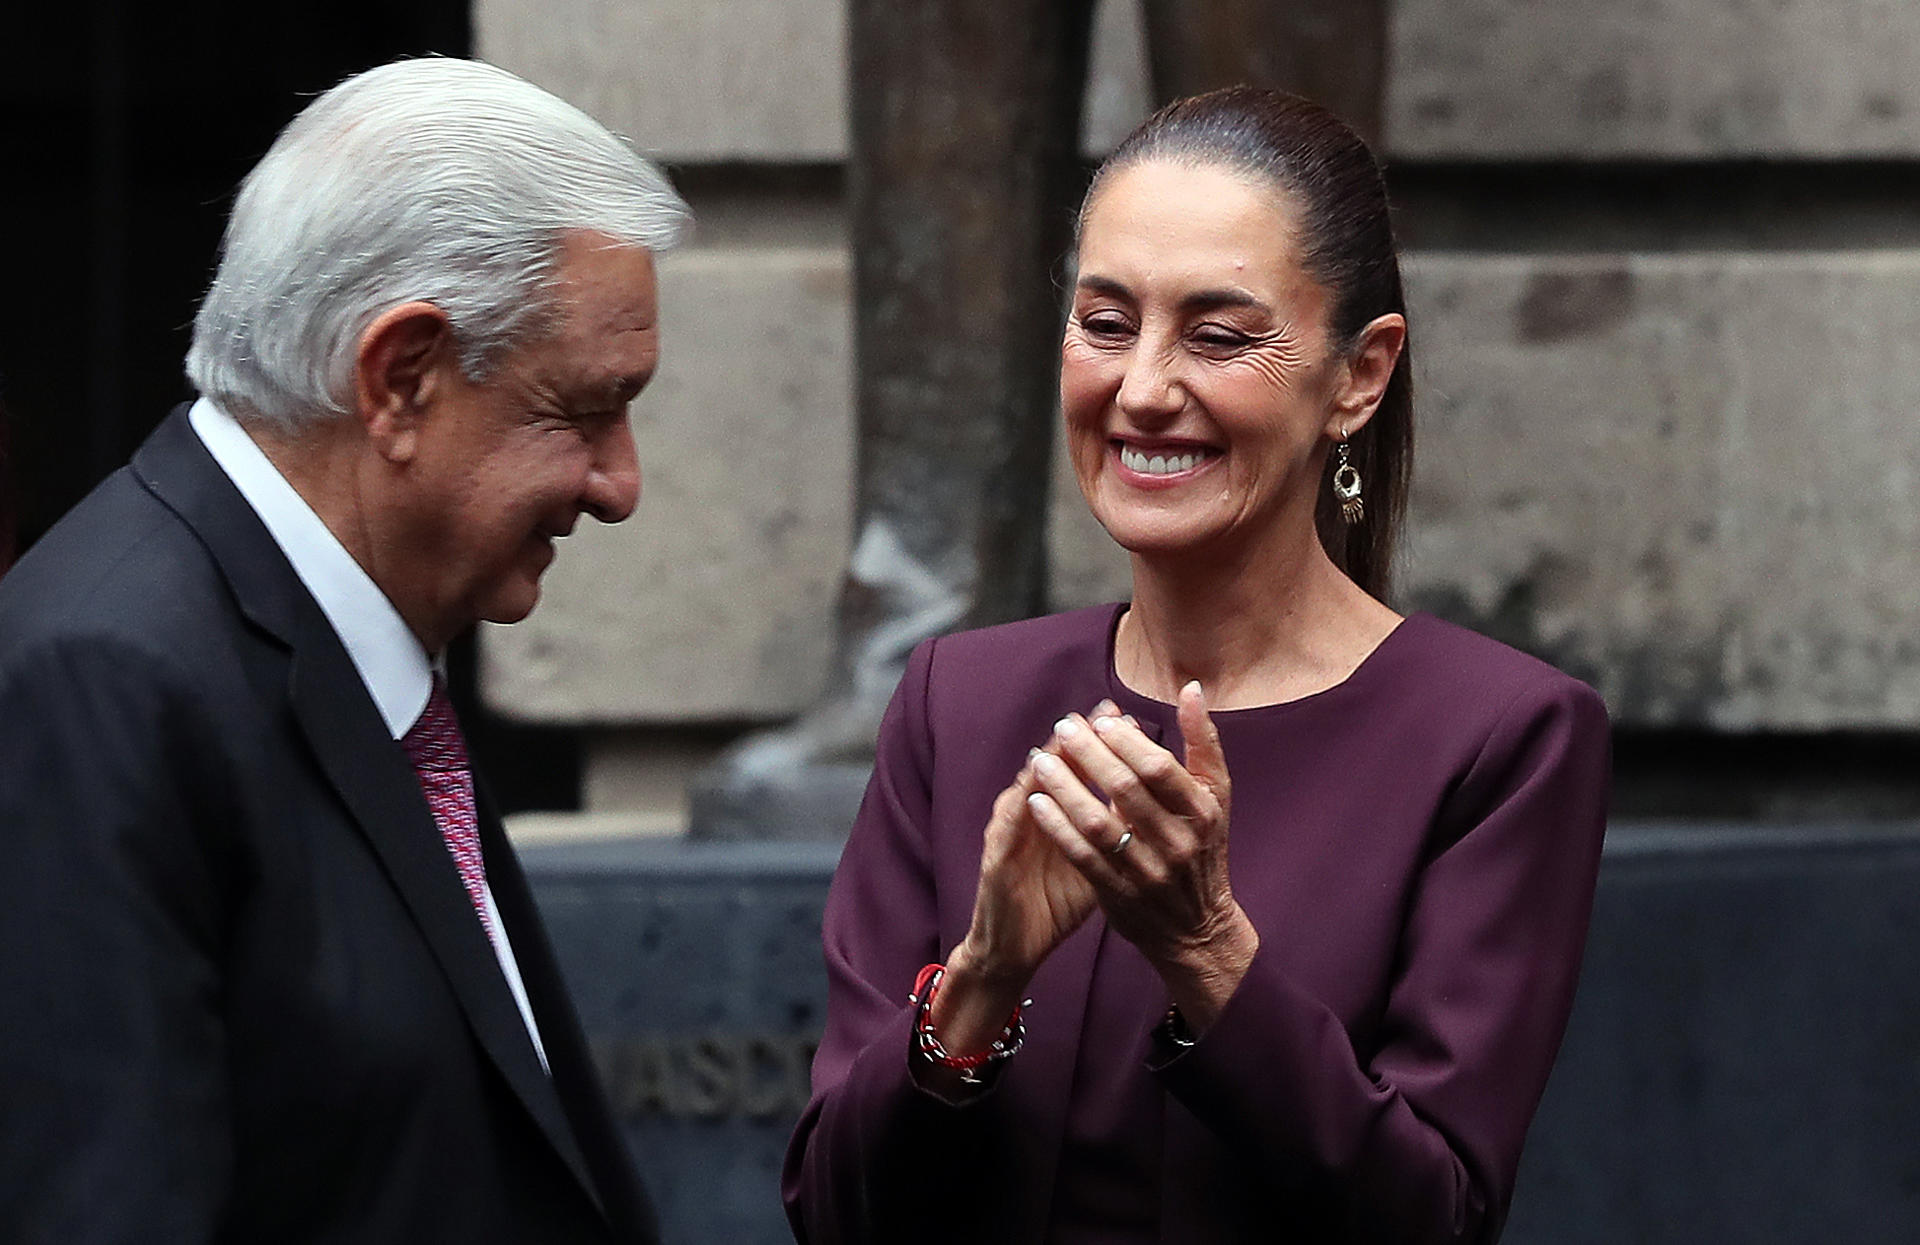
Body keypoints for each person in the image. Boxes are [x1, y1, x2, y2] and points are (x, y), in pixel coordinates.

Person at [784, 87, 1610, 1244]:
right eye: (1106, 323)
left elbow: (1437, 1215)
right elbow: (833, 1213)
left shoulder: (1500, 738)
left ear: (1359, 377)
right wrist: (979, 985)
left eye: (1218, 337)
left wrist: (1206, 951)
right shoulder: (958, 701)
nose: (1143, 389)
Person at [0, 58, 688, 1243]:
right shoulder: (104, 682)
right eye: (579, 410)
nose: (619, 485)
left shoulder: (343, 640)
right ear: (401, 379)